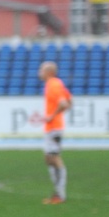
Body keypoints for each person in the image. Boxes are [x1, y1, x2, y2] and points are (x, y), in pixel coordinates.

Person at [38, 61, 72, 205]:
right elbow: (69, 102)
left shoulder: (54, 84)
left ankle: (59, 194)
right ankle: (57, 193)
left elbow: (64, 103)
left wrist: (52, 116)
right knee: (48, 158)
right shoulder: (55, 84)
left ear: (49, 72)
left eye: (41, 70)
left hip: (54, 127)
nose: (39, 72)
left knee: (54, 158)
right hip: (52, 127)